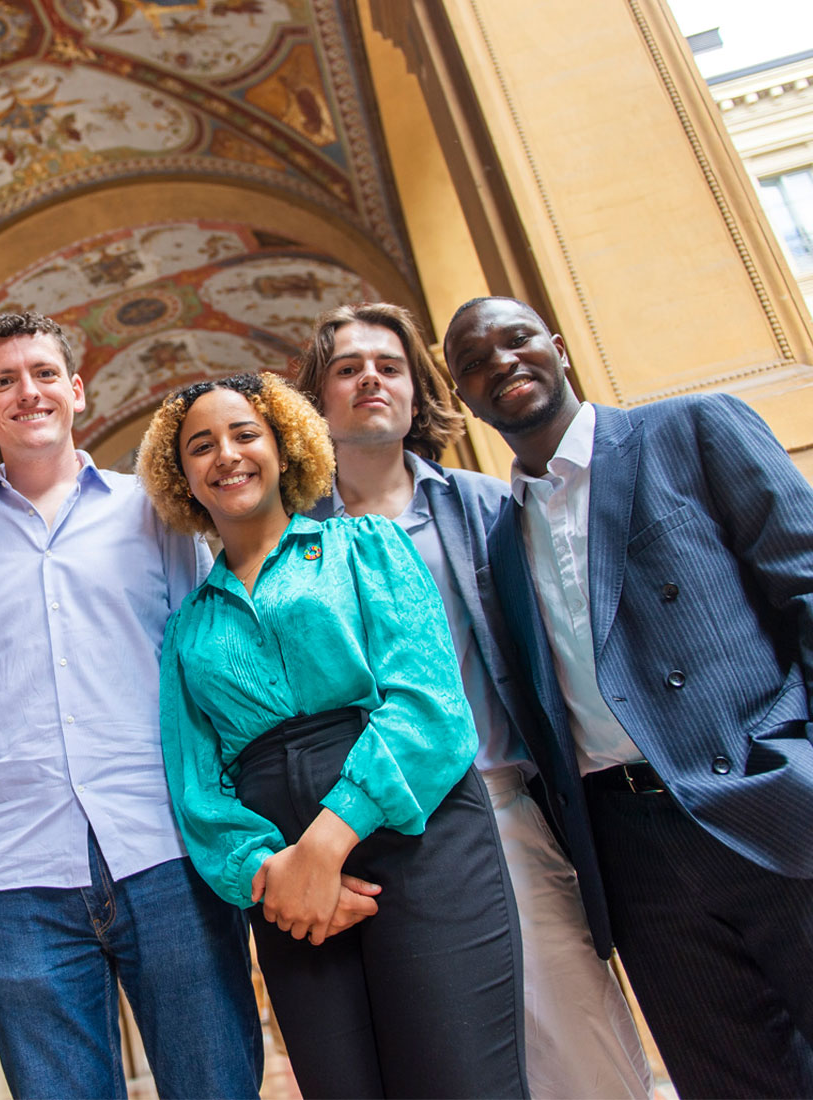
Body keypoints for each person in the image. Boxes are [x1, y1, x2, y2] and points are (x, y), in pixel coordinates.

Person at [444, 295, 813, 1098]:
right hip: (636, 859)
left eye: (516, 340)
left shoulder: (688, 431)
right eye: (474, 363)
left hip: (782, 804)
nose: (501, 364)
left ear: (559, 346)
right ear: (460, 397)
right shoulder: (501, 540)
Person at [294, 302, 651, 1098]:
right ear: (319, 404)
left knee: (584, 1050)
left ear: (418, 392)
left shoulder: (493, 508)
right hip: (390, 837)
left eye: (389, 366)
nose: (370, 381)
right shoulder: (295, 551)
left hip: (511, 808)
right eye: (347, 370)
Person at [140, 371, 528, 1099]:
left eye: (245, 434)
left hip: (420, 844)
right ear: (182, 476)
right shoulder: (187, 628)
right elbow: (197, 788)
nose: (226, 454)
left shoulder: (366, 548)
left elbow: (430, 708)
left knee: (462, 1079)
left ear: (284, 448)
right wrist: (269, 873)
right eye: (201, 446)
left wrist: (326, 843)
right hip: (287, 894)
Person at [0, 312, 262, 1099]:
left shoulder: (157, 512)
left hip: (168, 850)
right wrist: (16, 780)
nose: (25, 392)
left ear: (76, 390)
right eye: (3, 381)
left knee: (216, 1084)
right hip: (18, 875)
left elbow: (199, 664)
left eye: (42, 374)